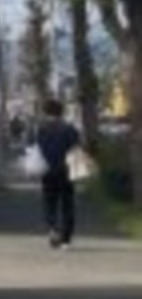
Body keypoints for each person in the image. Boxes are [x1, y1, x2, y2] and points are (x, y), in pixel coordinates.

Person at [34, 98, 85, 250]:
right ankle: (66, 240)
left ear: (45, 112)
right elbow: (77, 148)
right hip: (67, 170)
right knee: (67, 204)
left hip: (48, 171)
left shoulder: (41, 129)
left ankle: (53, 229)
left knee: (50, 203)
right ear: (61, 112)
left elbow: (36, 149)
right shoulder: (69, 129)